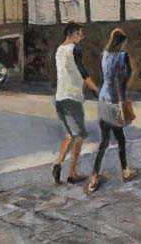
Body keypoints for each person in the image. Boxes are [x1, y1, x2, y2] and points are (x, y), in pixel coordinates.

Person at [88, 28, 135, 192]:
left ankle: (94, 175)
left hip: (103, 98)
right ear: (120, 42)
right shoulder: (122, 56)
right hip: (115, 100)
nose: (124, 46)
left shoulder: (105, 55)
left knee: (104, 140)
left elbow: (105, 78)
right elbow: (124, 79)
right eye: (123, 43)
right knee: (120, 139)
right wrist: (123, 99)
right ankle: (125, 171)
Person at [52, 21, 99, 185]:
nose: (81, 37)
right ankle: (72, 173)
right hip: (72, 98)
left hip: (60, 98)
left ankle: (58, 163)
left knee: (69, 135)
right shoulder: (75, 49)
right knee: (79, 136)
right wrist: (95, 89)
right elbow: (83, 71)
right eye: (79, 34)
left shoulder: (59, 50)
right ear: (70, 34)